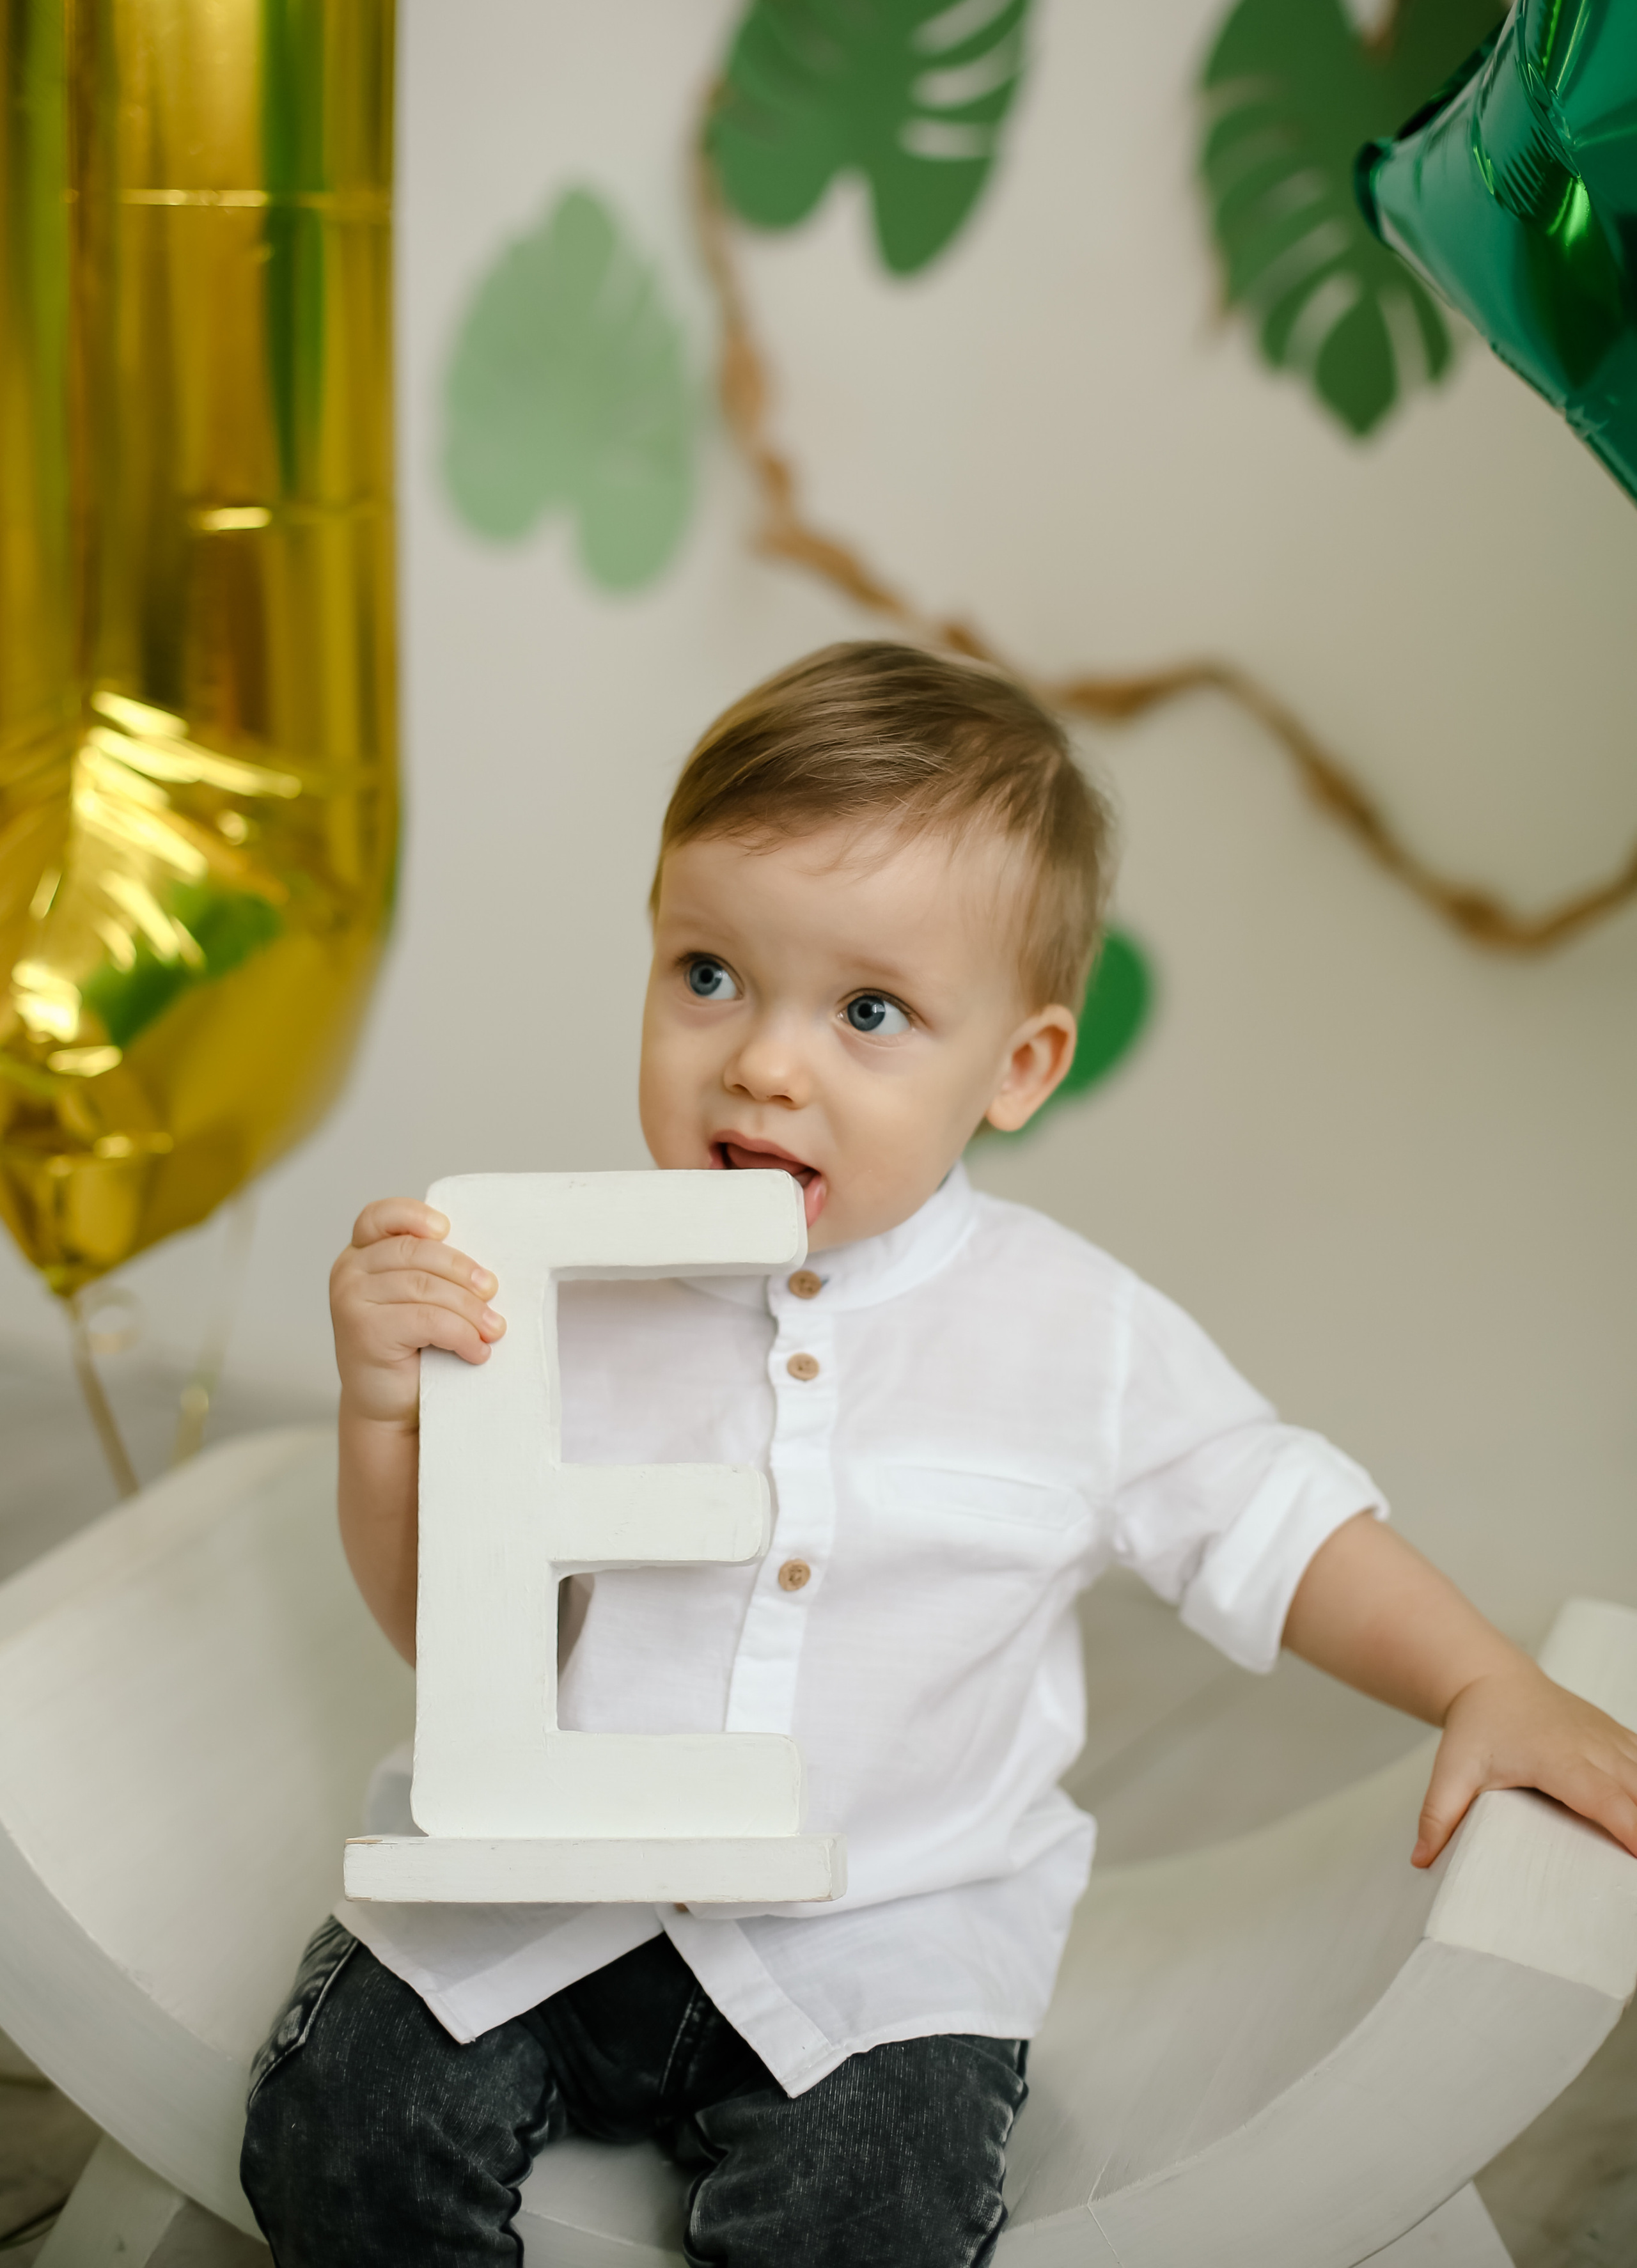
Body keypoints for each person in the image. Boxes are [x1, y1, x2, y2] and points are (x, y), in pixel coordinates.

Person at [241, 641, 1637, 2268]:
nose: (763, 1060)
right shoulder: (550, 1293)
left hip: (876, 1945)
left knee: (873, 2217)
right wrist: (386, 1414)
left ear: (1017, 1067)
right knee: (340, 2134)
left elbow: (1271, 1520)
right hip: (535, 1899)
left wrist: (1480, 1680)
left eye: (869, 1011)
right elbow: (451, 1632)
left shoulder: (1070, 1334)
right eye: (708, 973)